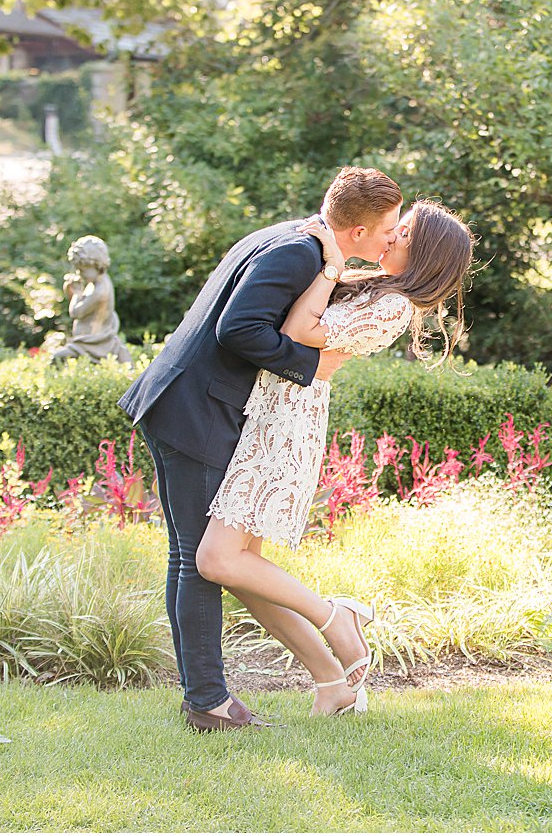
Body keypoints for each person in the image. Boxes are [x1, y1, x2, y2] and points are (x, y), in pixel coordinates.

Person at [117, 167, 403, 732]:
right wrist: (311, 367)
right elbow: (238, 329)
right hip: (195, 409)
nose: (393, 238)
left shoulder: (300, 241)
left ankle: (216, 699)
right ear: (359, 231)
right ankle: (210, 704)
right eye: (389, 228)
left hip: (186, 402)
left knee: (196, 557)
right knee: (199, 561)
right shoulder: (300, 252)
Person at [197, 199, 475, 716]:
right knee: (239, 568)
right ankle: (332, 683)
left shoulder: (393, 306)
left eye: (404, 233)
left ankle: (337, 617)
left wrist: (330, 264)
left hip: (283, 425)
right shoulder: (380, 288)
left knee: (218, 560)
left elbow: (299, 333)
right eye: (394, 227)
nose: (389, 237)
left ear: (425, 253)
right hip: (272, 411)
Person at [50, 235, 132, 364]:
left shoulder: (99, 292)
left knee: (57, 357)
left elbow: (76, 313)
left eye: (82, 270)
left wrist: (77, 293)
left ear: (95, 264)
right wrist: (72, 291)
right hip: (88, 340)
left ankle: (50, 382)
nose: (79, 274)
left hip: (93, 344)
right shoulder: (96, 283)